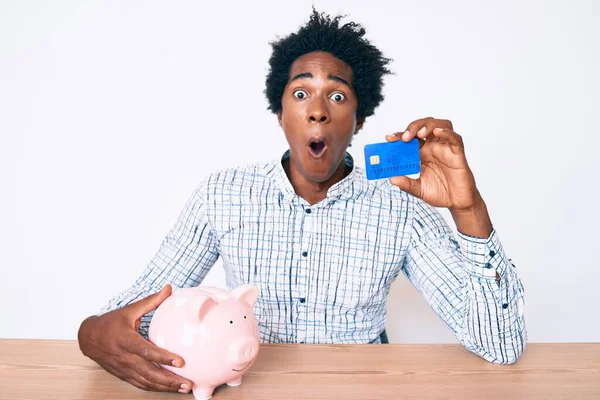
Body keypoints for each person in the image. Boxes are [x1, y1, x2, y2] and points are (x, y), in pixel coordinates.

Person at [78, 9, 527, 394]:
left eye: (336, 95)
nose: (317, 109)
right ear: (281, 115)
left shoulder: (401, 207)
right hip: (250, 386)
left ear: (359, 119)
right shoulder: (223, 195)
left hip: (361, 390)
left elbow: (500, 345)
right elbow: (135, 310)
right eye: (300, 94)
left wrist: (469, 210)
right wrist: (92, 332)